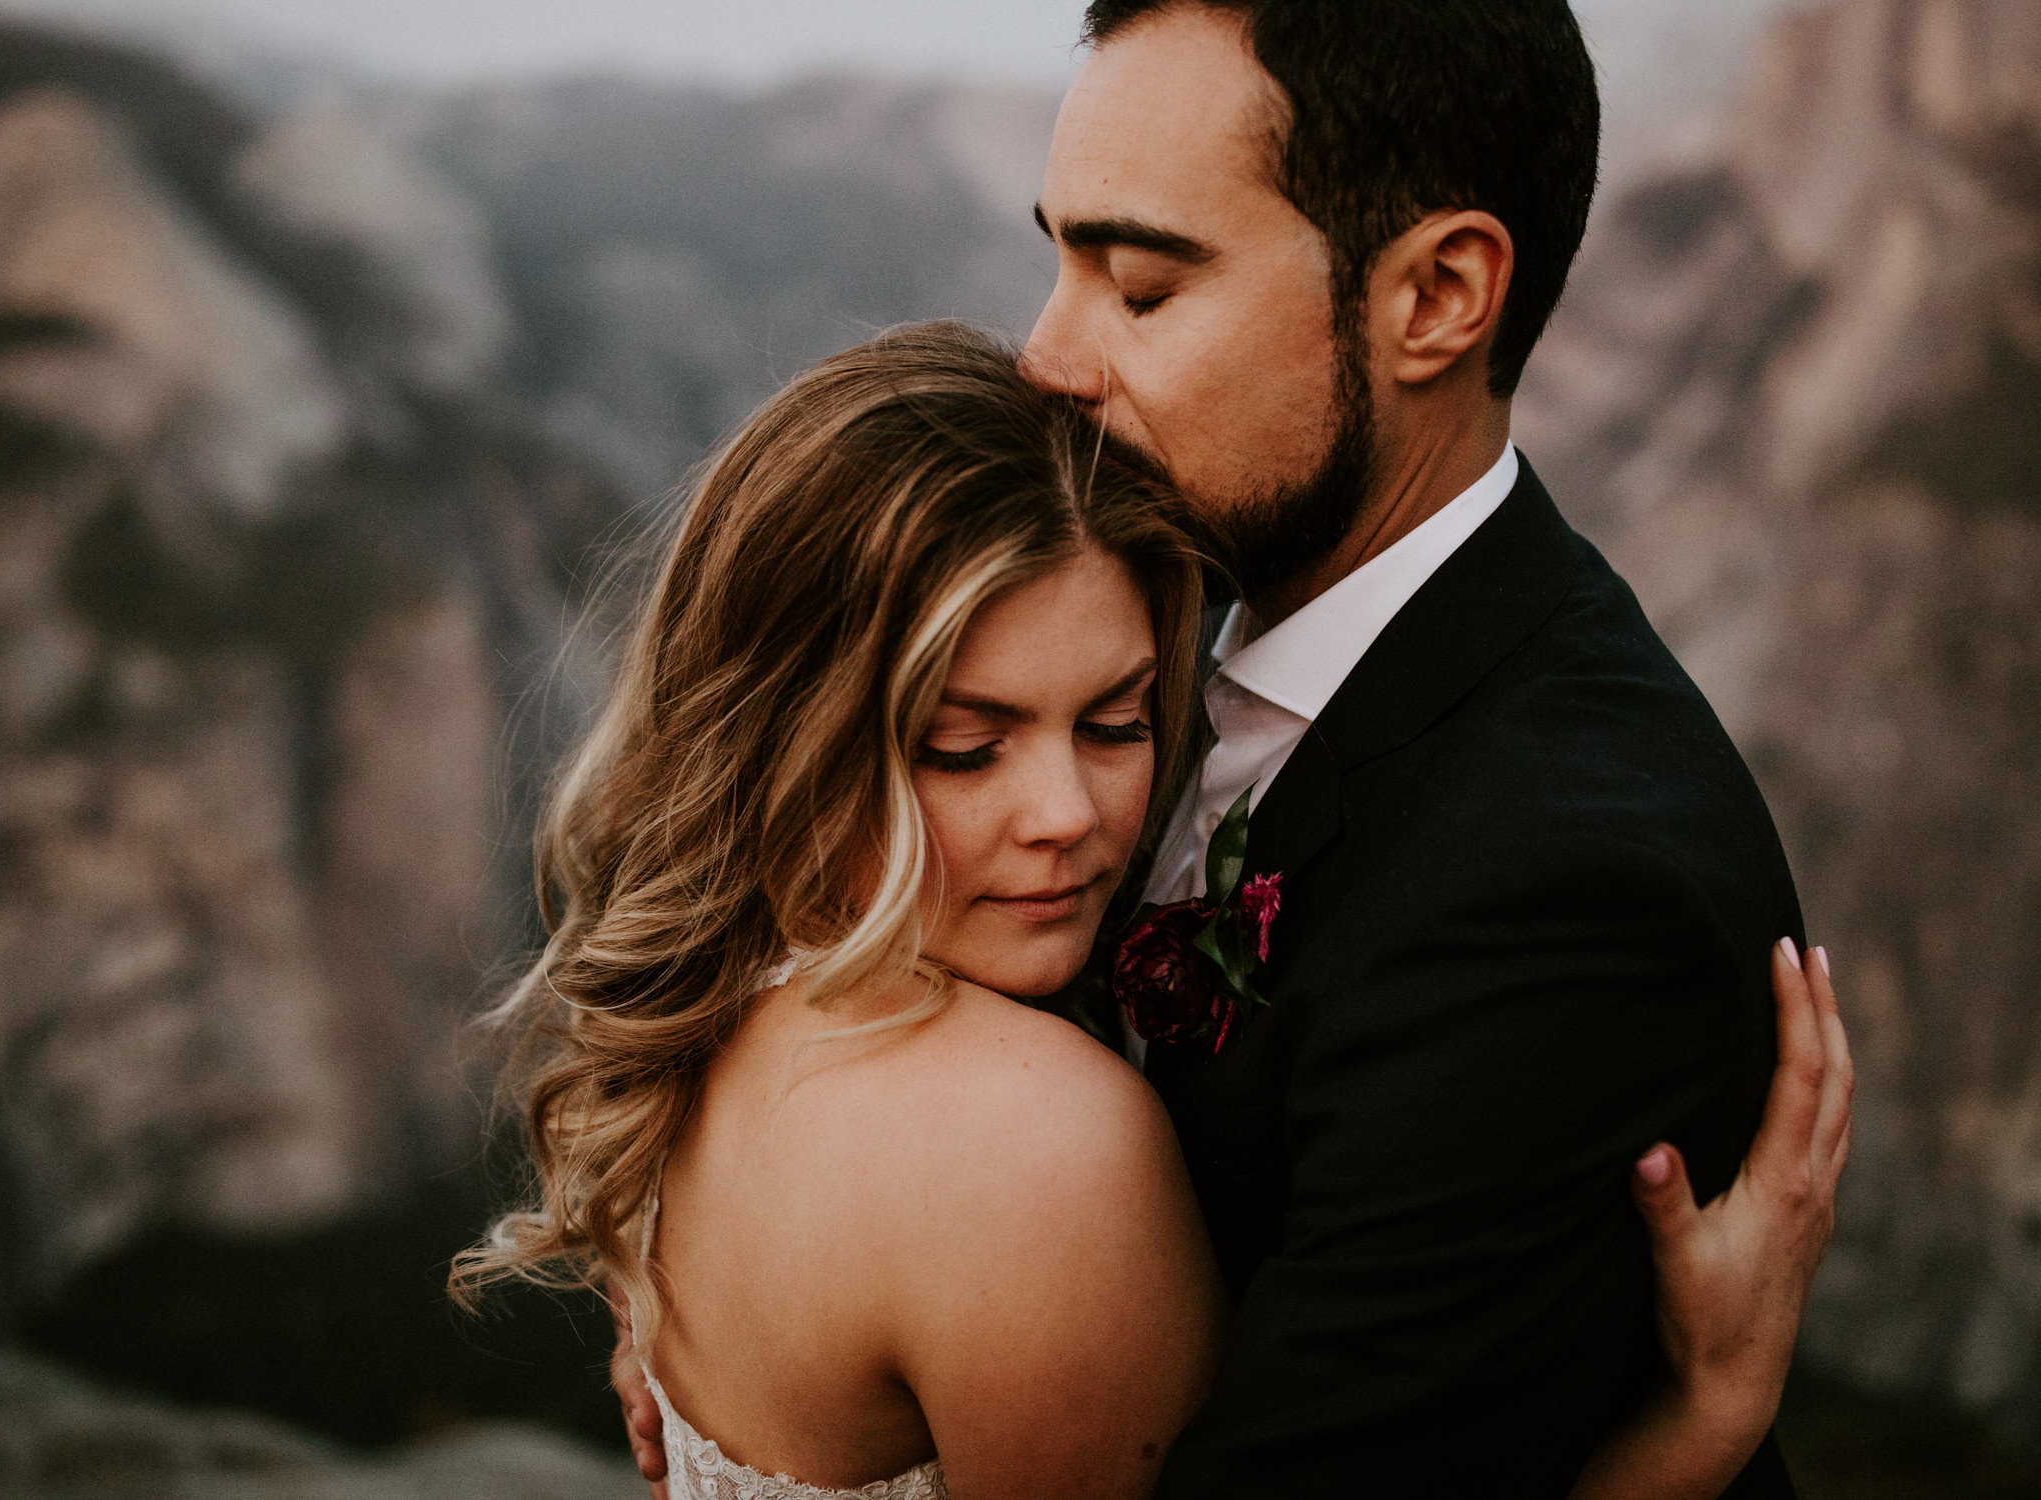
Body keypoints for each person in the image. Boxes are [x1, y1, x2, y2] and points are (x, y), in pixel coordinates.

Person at [600, 0, 1852, 1494]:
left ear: (1437, 296)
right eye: (1055, 259)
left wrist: (1686, 1449)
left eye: (1138, 288)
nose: (1048, 358)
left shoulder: (1563, 890)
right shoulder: (1135, 613)